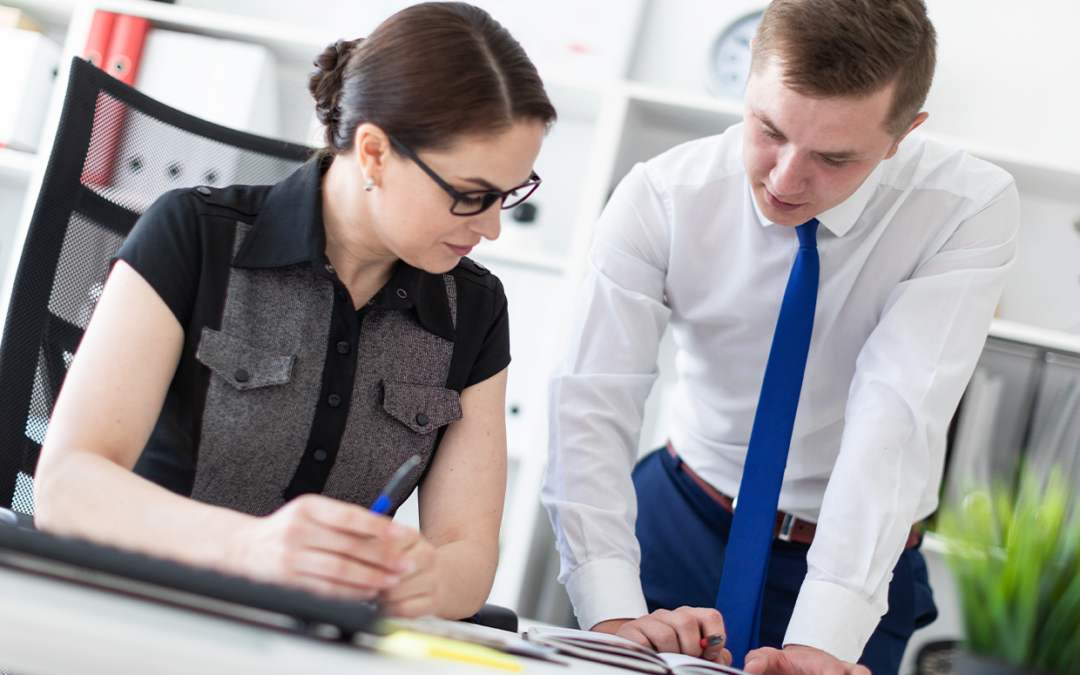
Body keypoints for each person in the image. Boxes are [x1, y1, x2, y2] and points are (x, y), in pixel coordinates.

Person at [34, 2, 555, 621]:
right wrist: (251, 547)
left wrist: (427, 580)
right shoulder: (192, 237)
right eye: (471, 196)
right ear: (375, 152)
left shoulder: (474, 307)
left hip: (315, 642)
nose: (493, 228)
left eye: (509, 195)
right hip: (144, 616)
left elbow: (465, 555)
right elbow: (66, 487)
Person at [543, 0, 1017, 673]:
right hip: (680, 517)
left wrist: (825, 633)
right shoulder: (662, 196)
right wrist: (612, 607)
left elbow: (896, 415)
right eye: (769, 129)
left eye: (833, 157)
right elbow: (590, 399)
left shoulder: (966, 207)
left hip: (855, 558)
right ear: (749, 86)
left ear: (902, 134)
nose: (785, 177)